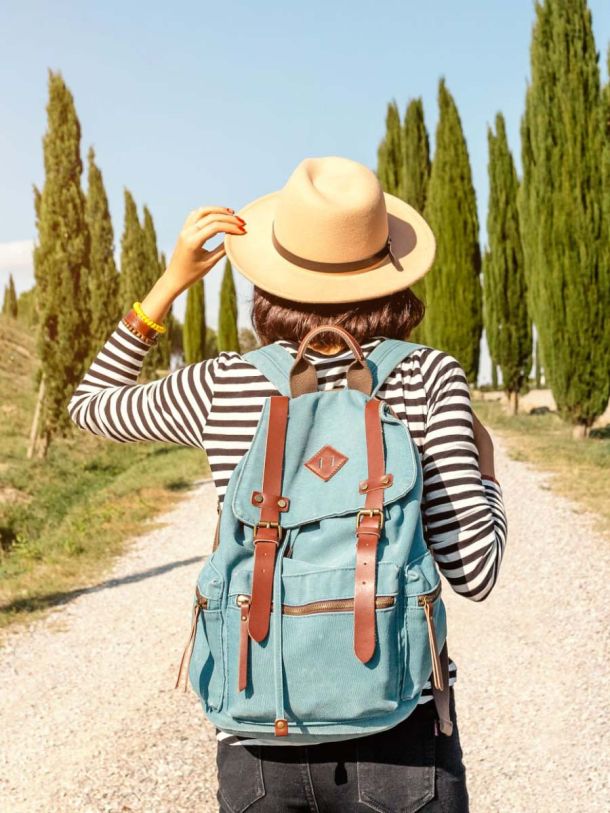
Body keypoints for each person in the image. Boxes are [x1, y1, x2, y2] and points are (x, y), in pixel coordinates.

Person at [68, 156, 507, 812]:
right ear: (390, 277)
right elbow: (476, 571)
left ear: (273, 278)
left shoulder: (221, 384)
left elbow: (91, 403)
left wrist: (166, 285)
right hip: (399, 728)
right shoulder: (426, 376)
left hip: (255, 732)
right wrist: (490, 469)